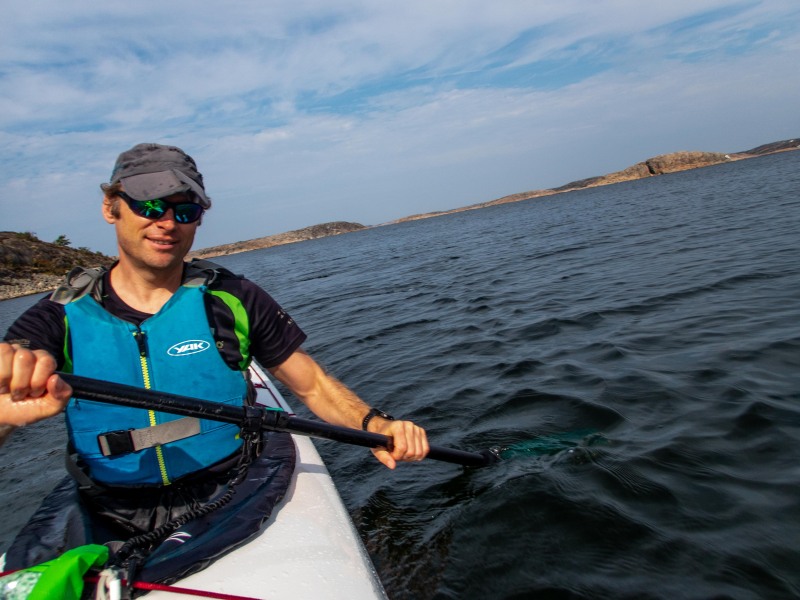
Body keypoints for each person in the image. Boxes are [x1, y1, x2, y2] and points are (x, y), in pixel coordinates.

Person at [0, 143, 429, 578]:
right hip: (109, 503)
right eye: (149, 206)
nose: (167, 223)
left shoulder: (233, 298)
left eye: (184, 211)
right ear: (111, 207)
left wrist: (377, 425)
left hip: (231, 488)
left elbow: (312, 384)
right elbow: (16, 366)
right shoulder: (55, 316)